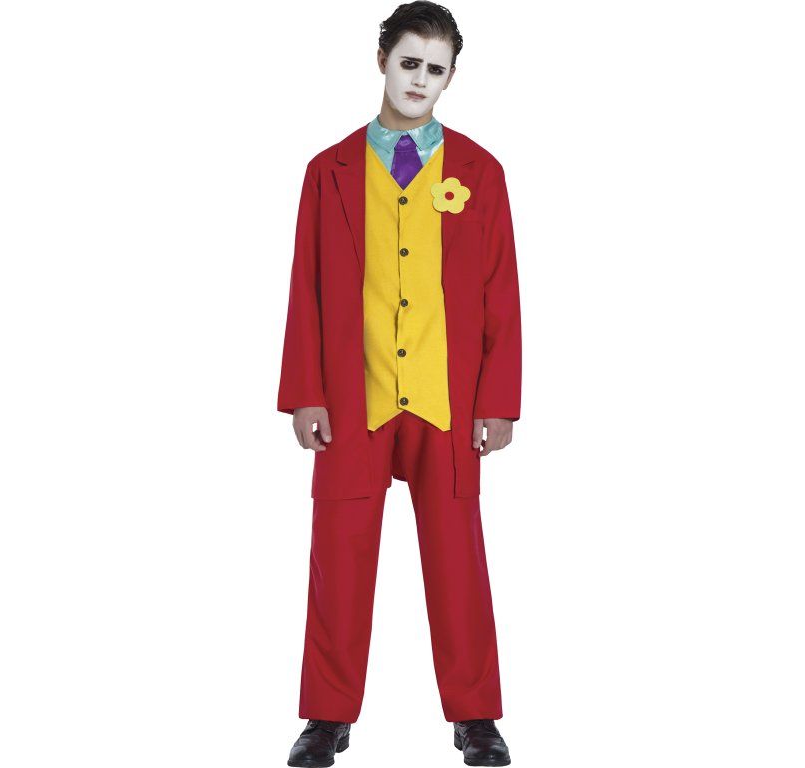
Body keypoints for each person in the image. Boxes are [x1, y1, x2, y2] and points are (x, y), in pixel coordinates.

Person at [277, 3, 521, 765]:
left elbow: (501, 292)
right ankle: (326, 717)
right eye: (409, 62)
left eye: (435, 69)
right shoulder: (329, 171)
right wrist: (306, 391)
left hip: (448, 401)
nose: (419, 79)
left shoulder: (481, 172)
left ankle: (476, 717)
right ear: (381, 59)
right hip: (354, 398)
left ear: (451, 78)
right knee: (339, 559)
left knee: (458, 565)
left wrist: (498, 402)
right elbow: (306, 288)